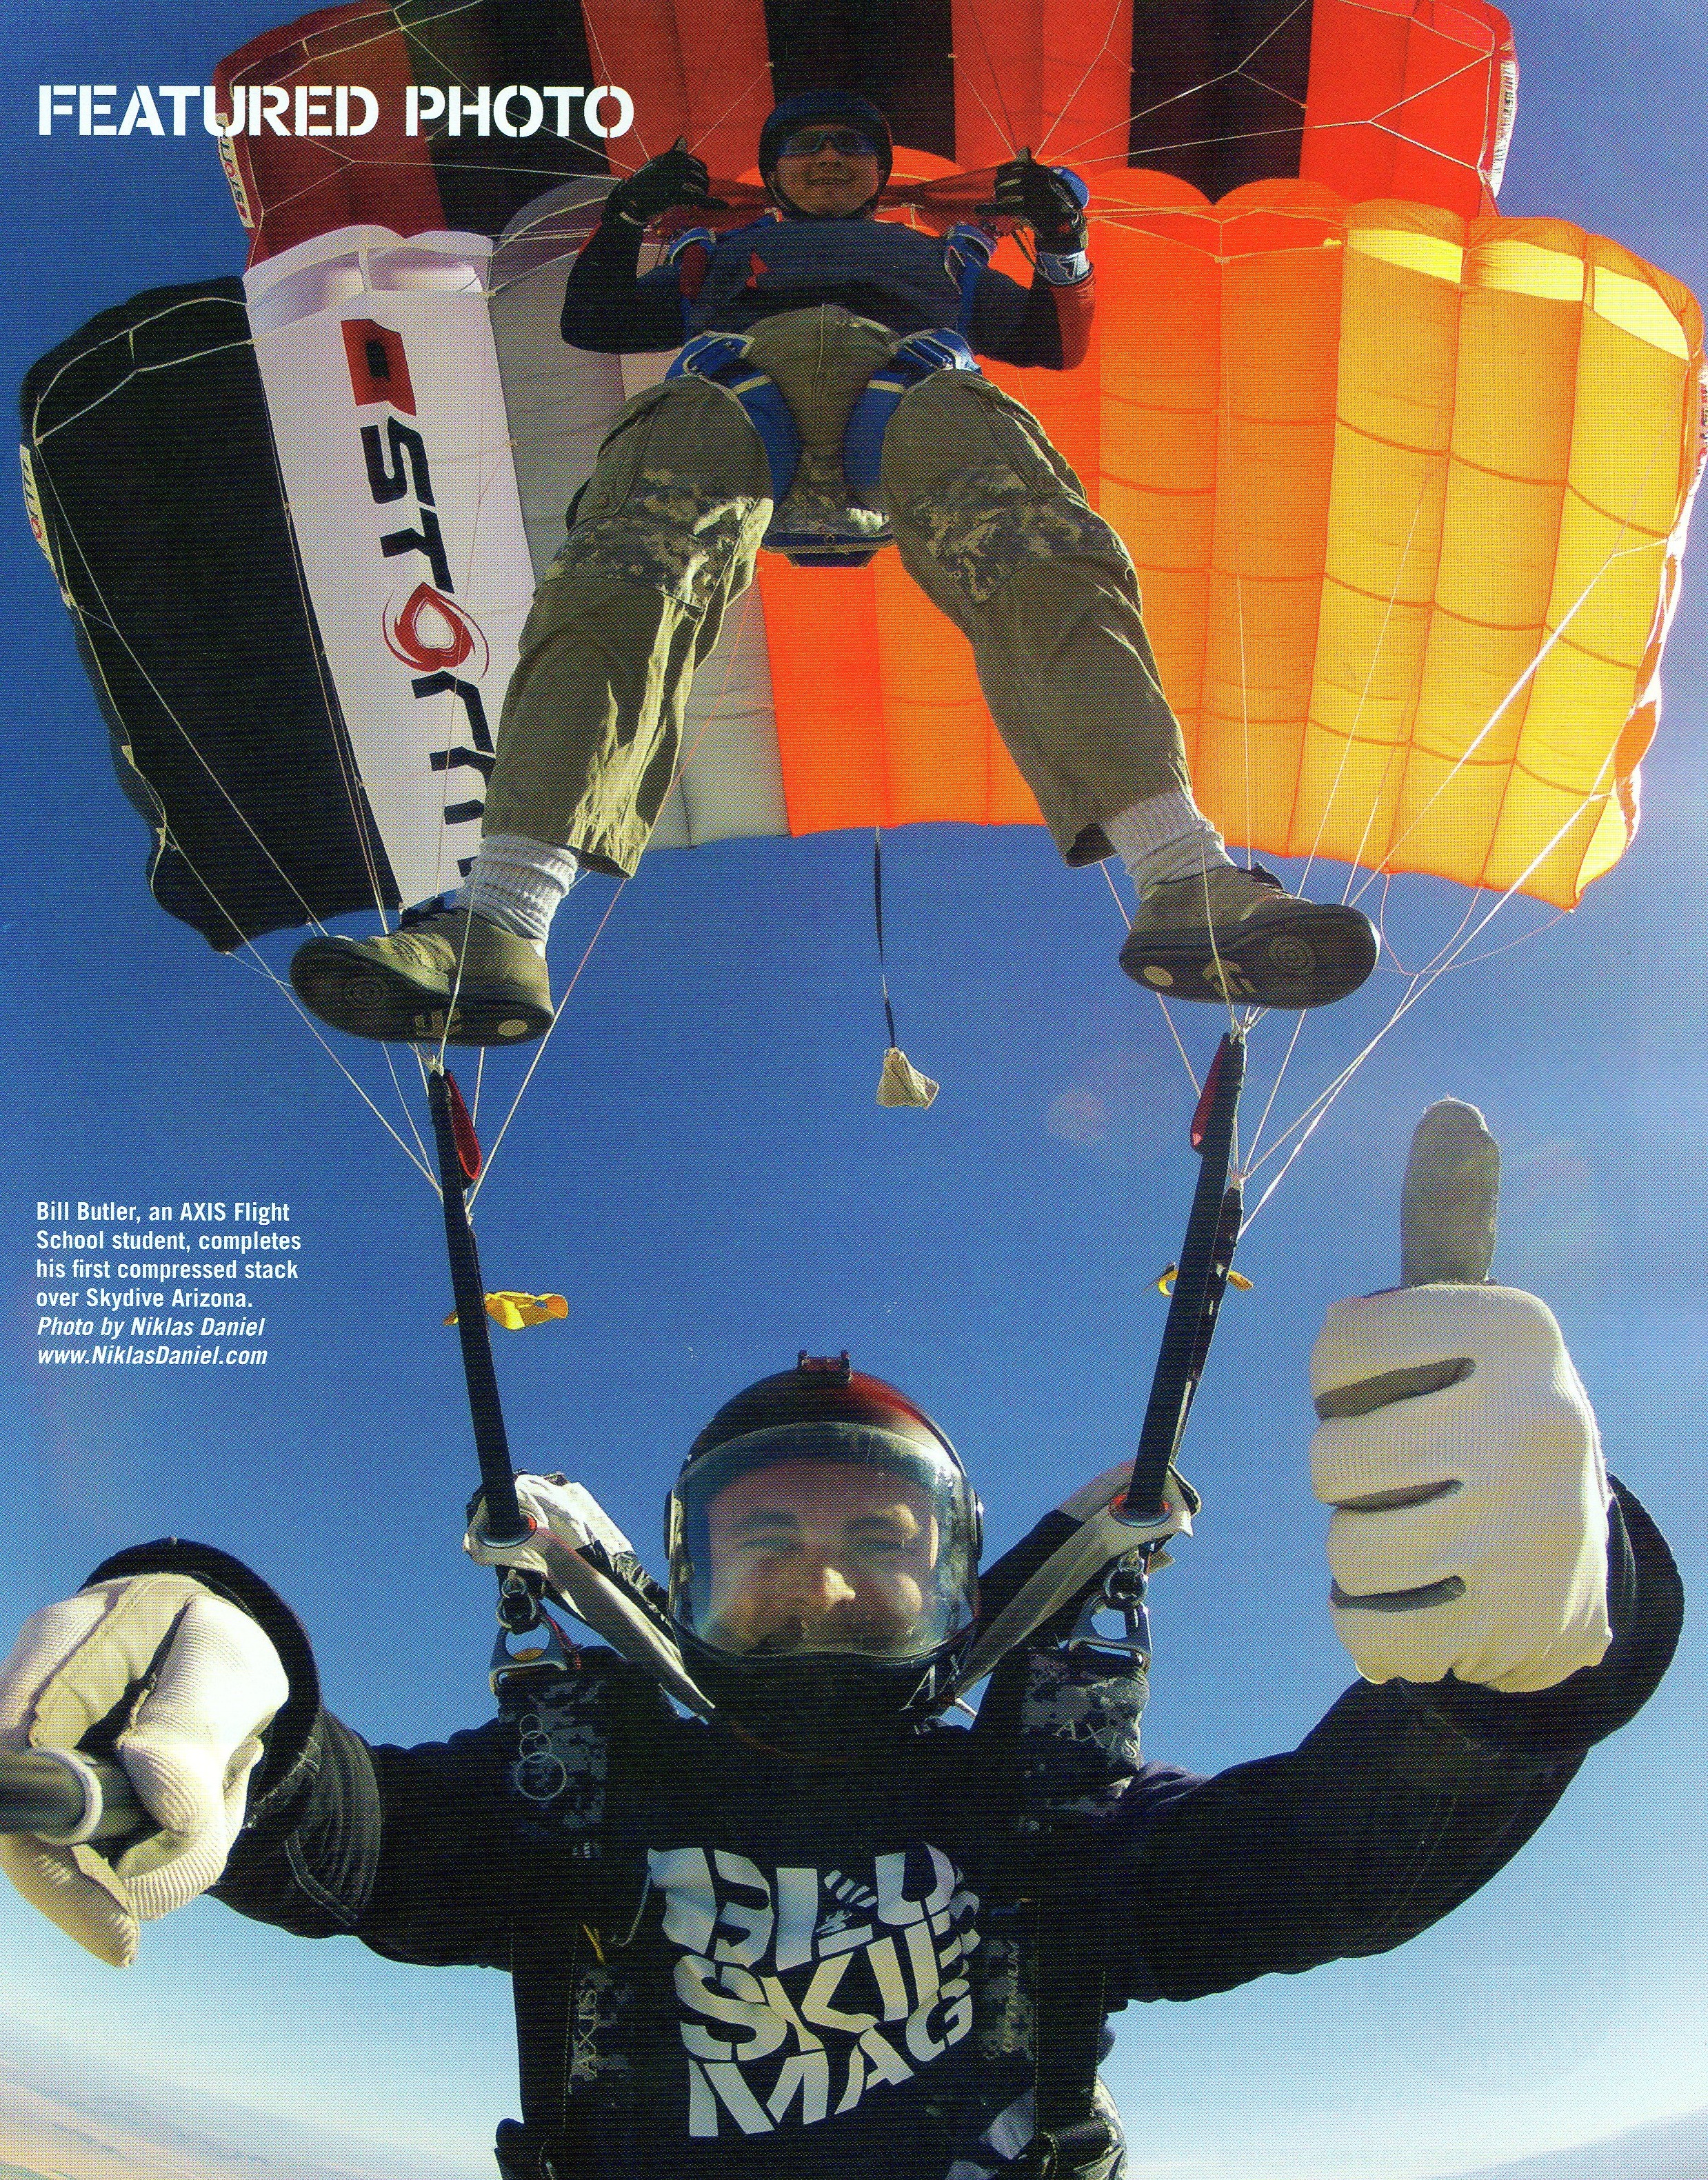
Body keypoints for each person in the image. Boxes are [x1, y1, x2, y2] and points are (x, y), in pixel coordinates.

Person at [0, 1199, 1681, 2180]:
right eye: (766, 1538)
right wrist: (242, 1699)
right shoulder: (566, 1805)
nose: (818, 1580)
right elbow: (359, 1838)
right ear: (674, 1576)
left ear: (963, 1583)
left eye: (880, 1536)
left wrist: (1527, 1671)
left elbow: (1326, 1862)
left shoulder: (1056, 1831)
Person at [288, 90, 1379, 1048]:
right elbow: (597, 317)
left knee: (1047, 558)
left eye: (847, 146)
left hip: (914, 394)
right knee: (611, 585)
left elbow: (1052, 337)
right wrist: (625, 219)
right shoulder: (713, 255)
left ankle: (1183, 876)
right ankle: (499, 922)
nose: (824, 158)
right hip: (730, 397)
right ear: (769, 174)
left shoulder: (944, 256)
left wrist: (1062, 241)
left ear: (875, 170)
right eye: (802, 146)